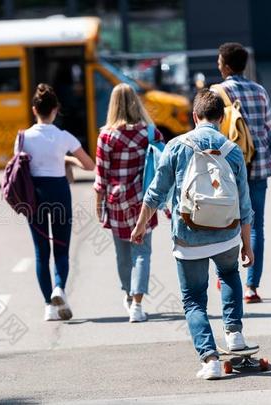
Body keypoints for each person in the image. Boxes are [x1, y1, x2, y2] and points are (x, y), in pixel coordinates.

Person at [131, 89, 254, 380]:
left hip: (188, 235)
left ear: (194, 116)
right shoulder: (233, 150)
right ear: (222, 118)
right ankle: (234, 333)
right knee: (229, 275)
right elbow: (245, 204)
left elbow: (155, 193)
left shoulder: (176, 146)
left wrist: (139, 226)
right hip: (226, 232)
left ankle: (210, 359)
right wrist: (247, 245)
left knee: (194, 299)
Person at [215, 42, 271, 303]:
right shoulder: (259, 91)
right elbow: (270, 127)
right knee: (256, 226)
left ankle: (226, 279)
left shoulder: (217, 92)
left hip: (227, 171)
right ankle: (251, 287)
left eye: (219, 60)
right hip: (257, 167)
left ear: (224, 65)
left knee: (225, 224)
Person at [18, 83, 95, 321]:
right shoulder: (64, 137)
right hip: (59, 192)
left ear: (34, 110)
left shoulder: (23, 137)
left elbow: (19, 168)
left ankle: (48, 307)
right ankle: (59, 288)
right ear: (56, 110)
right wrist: (66, 160)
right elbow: (90, 165)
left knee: (41, 253)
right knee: (61, 249)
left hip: (35, 196)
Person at [94, 83, 164, 323]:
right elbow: (163, 166)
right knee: (142, 252)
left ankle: (127, 294)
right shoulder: (151, 132)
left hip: (117, 201)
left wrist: (98, 205)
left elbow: (101, 175)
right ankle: (137, 303)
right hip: (145, 200)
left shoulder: (106, 136)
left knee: (122, 254)